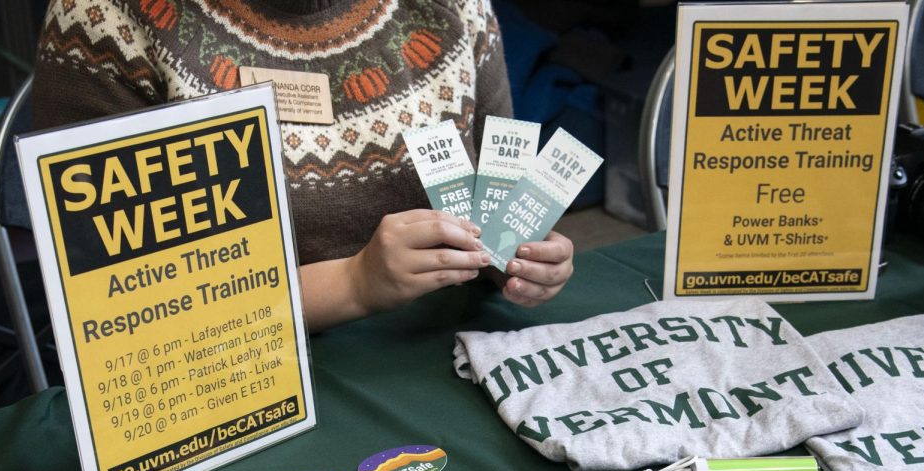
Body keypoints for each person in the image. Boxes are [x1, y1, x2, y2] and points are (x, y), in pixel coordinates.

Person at [32, 0, 575, 331]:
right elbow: (117, 313)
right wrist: (354, 284)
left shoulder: (455, 8)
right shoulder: (105, 18)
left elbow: (493, 196)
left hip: (445, 348)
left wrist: (523, 249)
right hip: (240, 386)